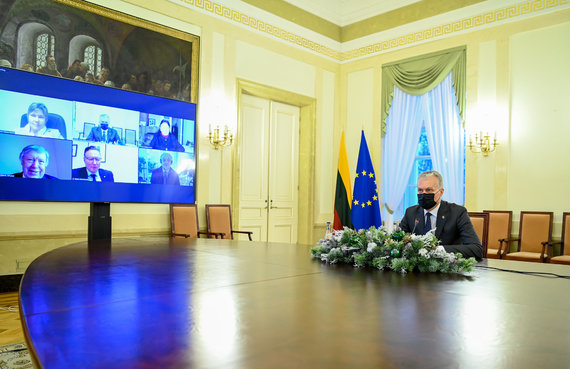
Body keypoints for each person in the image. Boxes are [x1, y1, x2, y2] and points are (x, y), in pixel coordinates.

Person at [399, 170, 483, 260]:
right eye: (420, 190)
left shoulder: (457, 212)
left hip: (449, 268)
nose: (423, 194)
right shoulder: (410, 213)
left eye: (429, 190)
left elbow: (476, 249)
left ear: (441, 192)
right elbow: (396, 243)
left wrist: (438, 250)